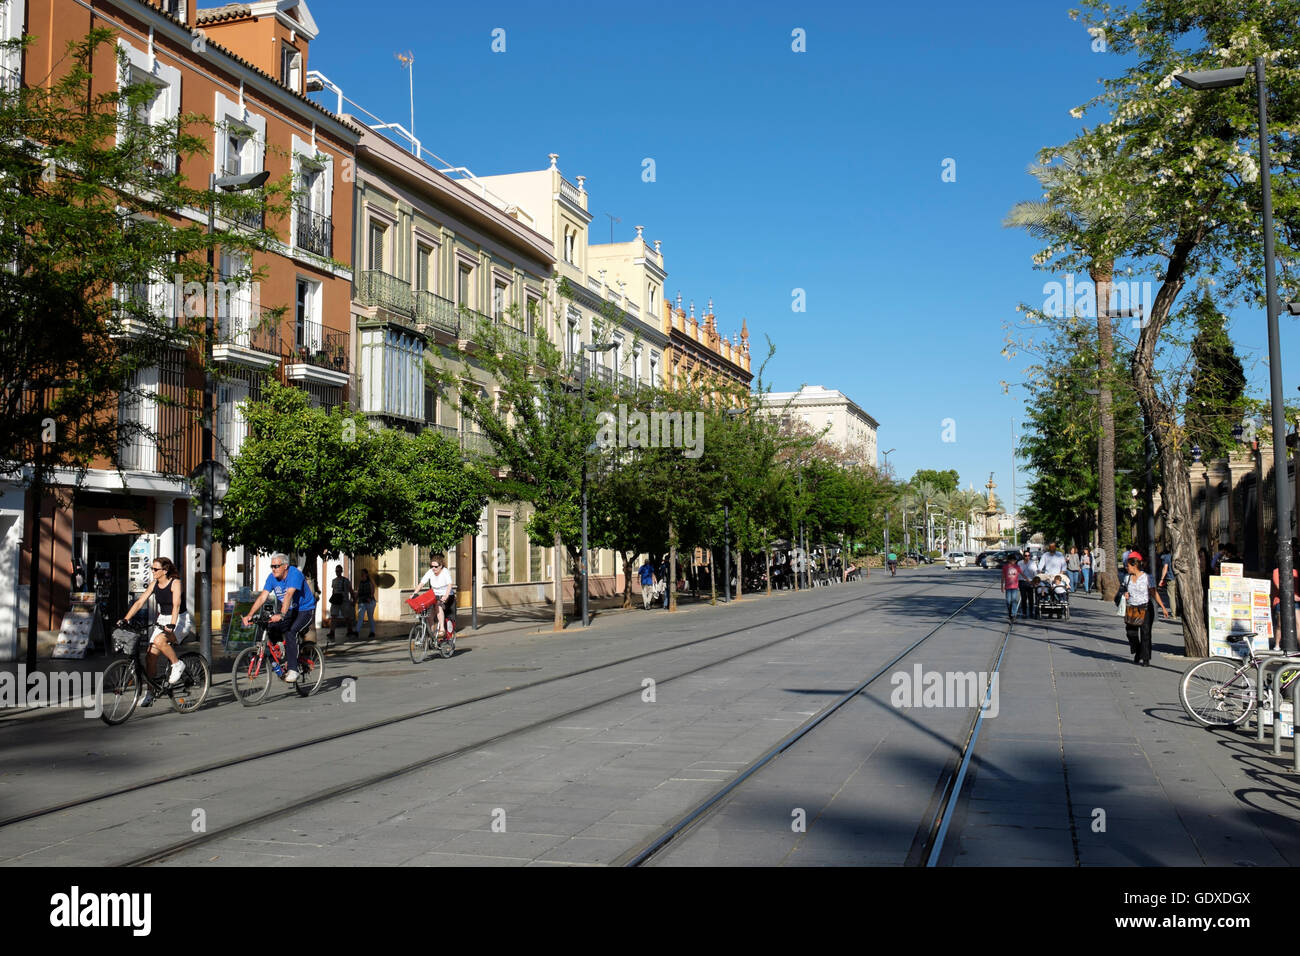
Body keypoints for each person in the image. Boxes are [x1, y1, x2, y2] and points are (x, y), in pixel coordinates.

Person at [119, 555, 187, 706]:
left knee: (159, 640)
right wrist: (126, 619)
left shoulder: (175, 583)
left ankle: (177, 664)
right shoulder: (154, 584)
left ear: (165, 570)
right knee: (150, 656)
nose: (153, 571)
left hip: (180, 619)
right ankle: (150, 692)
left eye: (155, 569)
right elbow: (140, 602)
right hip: (163, 619)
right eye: (152, 569)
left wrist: (172, 625)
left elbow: (176, 605)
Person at [242, 553, 315, 683]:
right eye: (272, 566)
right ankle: (281, 658)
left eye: (276, 566)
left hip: (305, 610)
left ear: (285, 566)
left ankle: (293, 670)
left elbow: (288, 595)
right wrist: (249, 615)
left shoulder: (294, 574)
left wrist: (281, 615)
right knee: (270, 627)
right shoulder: (272, 578)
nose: (273, 569)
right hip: (289, 610)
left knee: (292, 632)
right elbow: (263, 597)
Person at [1115, 552, 1167, 666]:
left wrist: (1163, 607)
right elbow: (1122, 590)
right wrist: (1125, 594)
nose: (1126, 568)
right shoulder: (1126, 578)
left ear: (1134, 566)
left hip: (1145, 608)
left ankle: (1146, 658)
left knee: (1145, 634)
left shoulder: (1148, 578)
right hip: (1131, 609)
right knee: (1131, 633)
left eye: (1128, 566)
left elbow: (1154, 593)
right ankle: (1138, 651)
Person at [415, 554, 454, 637]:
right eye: (432, 566)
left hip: (447, 595)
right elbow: (421, 583)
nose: (434, 568)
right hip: (435, 596)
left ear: (441, 566)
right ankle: (432, 634)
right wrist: (414, 593)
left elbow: (450, 585)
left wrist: (446, 596)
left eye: (436, 567)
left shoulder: (445, 572)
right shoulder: (430, 572)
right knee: (429, 614)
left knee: (438, 606)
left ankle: (442, 629)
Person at [1271, 541, 1300, 651]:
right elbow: (1279, 586)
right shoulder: (1276, 571)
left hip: (1295, 601)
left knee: (1298, 624)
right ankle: (1277, 644)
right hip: (1281, 601)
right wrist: (1292, 596)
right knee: (1280, 624)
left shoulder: (1295, 572)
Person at [327, 564, 355, 642]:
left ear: (341, 571)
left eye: (339, 571)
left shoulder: (346, 580)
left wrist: (354, 600)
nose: (337, 572)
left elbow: (351, 590)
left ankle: (349, 630)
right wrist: (332, 598)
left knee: (347, 616)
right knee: (333, 616)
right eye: (336, 571)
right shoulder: (334, 581)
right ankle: (332, 632)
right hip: (336, 600)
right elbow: (333, 590)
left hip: (344, 600)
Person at [356, 568, 377, 640]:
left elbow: (373, 590)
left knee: (370, 617)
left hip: (369, 602)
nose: (361, 575)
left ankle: (372, 632)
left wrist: (370, 597)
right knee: (360, 617)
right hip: (362, 602)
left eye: (363, 573)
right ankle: (357, 631)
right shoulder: (360, 582)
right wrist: (355, 600)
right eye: (361, 574)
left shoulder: (370, 582)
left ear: (366, 574)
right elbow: (358, 592)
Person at [1002, 553, 1022, 622]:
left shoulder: (1017, 567)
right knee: (1008, 601)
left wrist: (1029, 580)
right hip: (1007, 587)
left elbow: (1022, 574)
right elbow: (1003, 577)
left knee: (1014, 600)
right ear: (1009, 560)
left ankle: (1013, 614)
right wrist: (1002, 586)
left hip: (1015, 587)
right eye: (1012, 560)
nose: (1013, 561)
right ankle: (1010, 611)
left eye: (1014, 560)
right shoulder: (1005, 567)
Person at [1017, 551, 1037, 618]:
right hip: (1022, 582)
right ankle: (1024, 612)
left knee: (1031, 598)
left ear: (1030, 556)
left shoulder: (1033, 563)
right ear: (1023, 556)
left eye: (1028, 555)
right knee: (1023, 598)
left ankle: (1031, 612)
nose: (1027, 557)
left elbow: (1035, 573)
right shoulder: (1019, 563)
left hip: (1030, 582)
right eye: (1026, 555)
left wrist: (1035, 582)